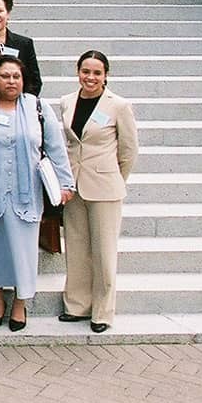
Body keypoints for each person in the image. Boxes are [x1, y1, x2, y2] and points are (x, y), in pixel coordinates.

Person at [0, 56, 75, 331]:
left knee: (24, 250)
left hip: (26, 191)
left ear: (23, 80)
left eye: (15, 76)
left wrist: (66, 184)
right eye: (4, 76)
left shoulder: (37, 107)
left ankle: (20, 302)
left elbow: (55, 148)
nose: (11, 81)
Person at [58, 51, 139, 334]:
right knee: (77, 247)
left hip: (105, 187)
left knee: (104, 252)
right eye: (85, 71)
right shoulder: (67, 102)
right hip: (74, 186)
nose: (90, 77)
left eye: (96, 73)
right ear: (78, 71)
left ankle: (103, 312)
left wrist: (115, 178)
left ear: (106, 75)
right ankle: (77, 305)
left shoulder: (119, 105)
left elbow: (128, 151)